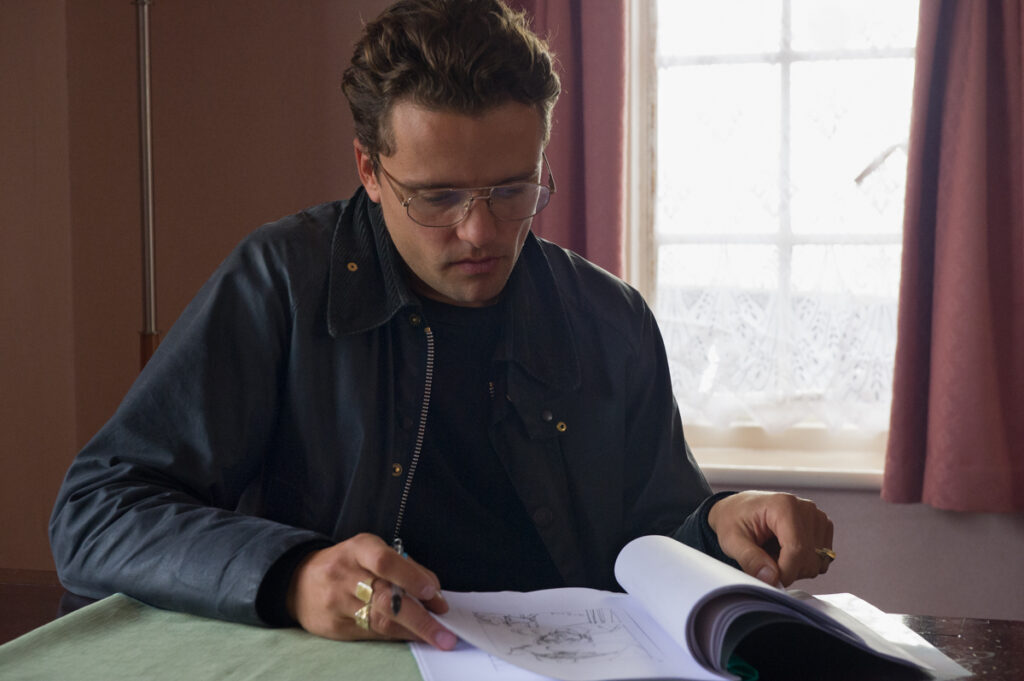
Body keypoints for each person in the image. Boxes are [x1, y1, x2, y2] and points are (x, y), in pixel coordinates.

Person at [49, 0, 833, 652]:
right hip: (347, 663)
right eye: (437, 197)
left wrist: (717, 524)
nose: (480, 232)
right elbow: (95, 511)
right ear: (369, 168)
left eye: (512, 189)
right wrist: (292, 574)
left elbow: (652, 543)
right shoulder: (282, 281)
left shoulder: (610, 318)